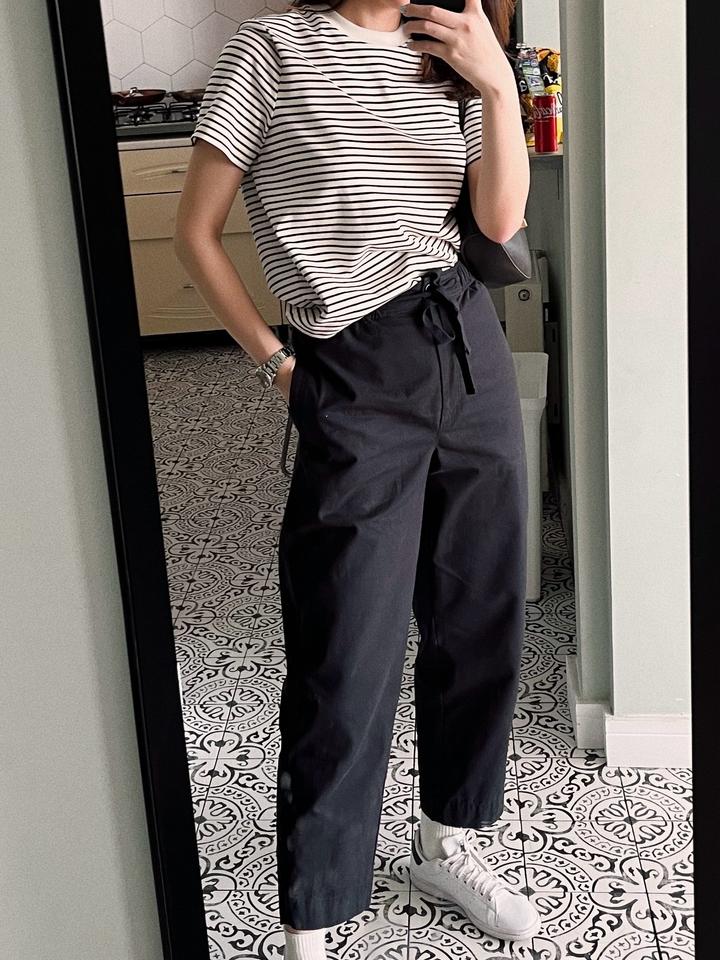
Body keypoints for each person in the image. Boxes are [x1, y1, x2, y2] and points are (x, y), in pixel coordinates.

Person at [174, 0, 541, 955]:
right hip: (352, 367)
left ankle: (446, 840)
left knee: (479, 616)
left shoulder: (452, 49)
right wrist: (277, 364)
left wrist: (497, 84)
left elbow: (499, 220)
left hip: (467, 343)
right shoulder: (274, 49)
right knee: (345, 647)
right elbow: (196, 231)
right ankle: (316, 914)